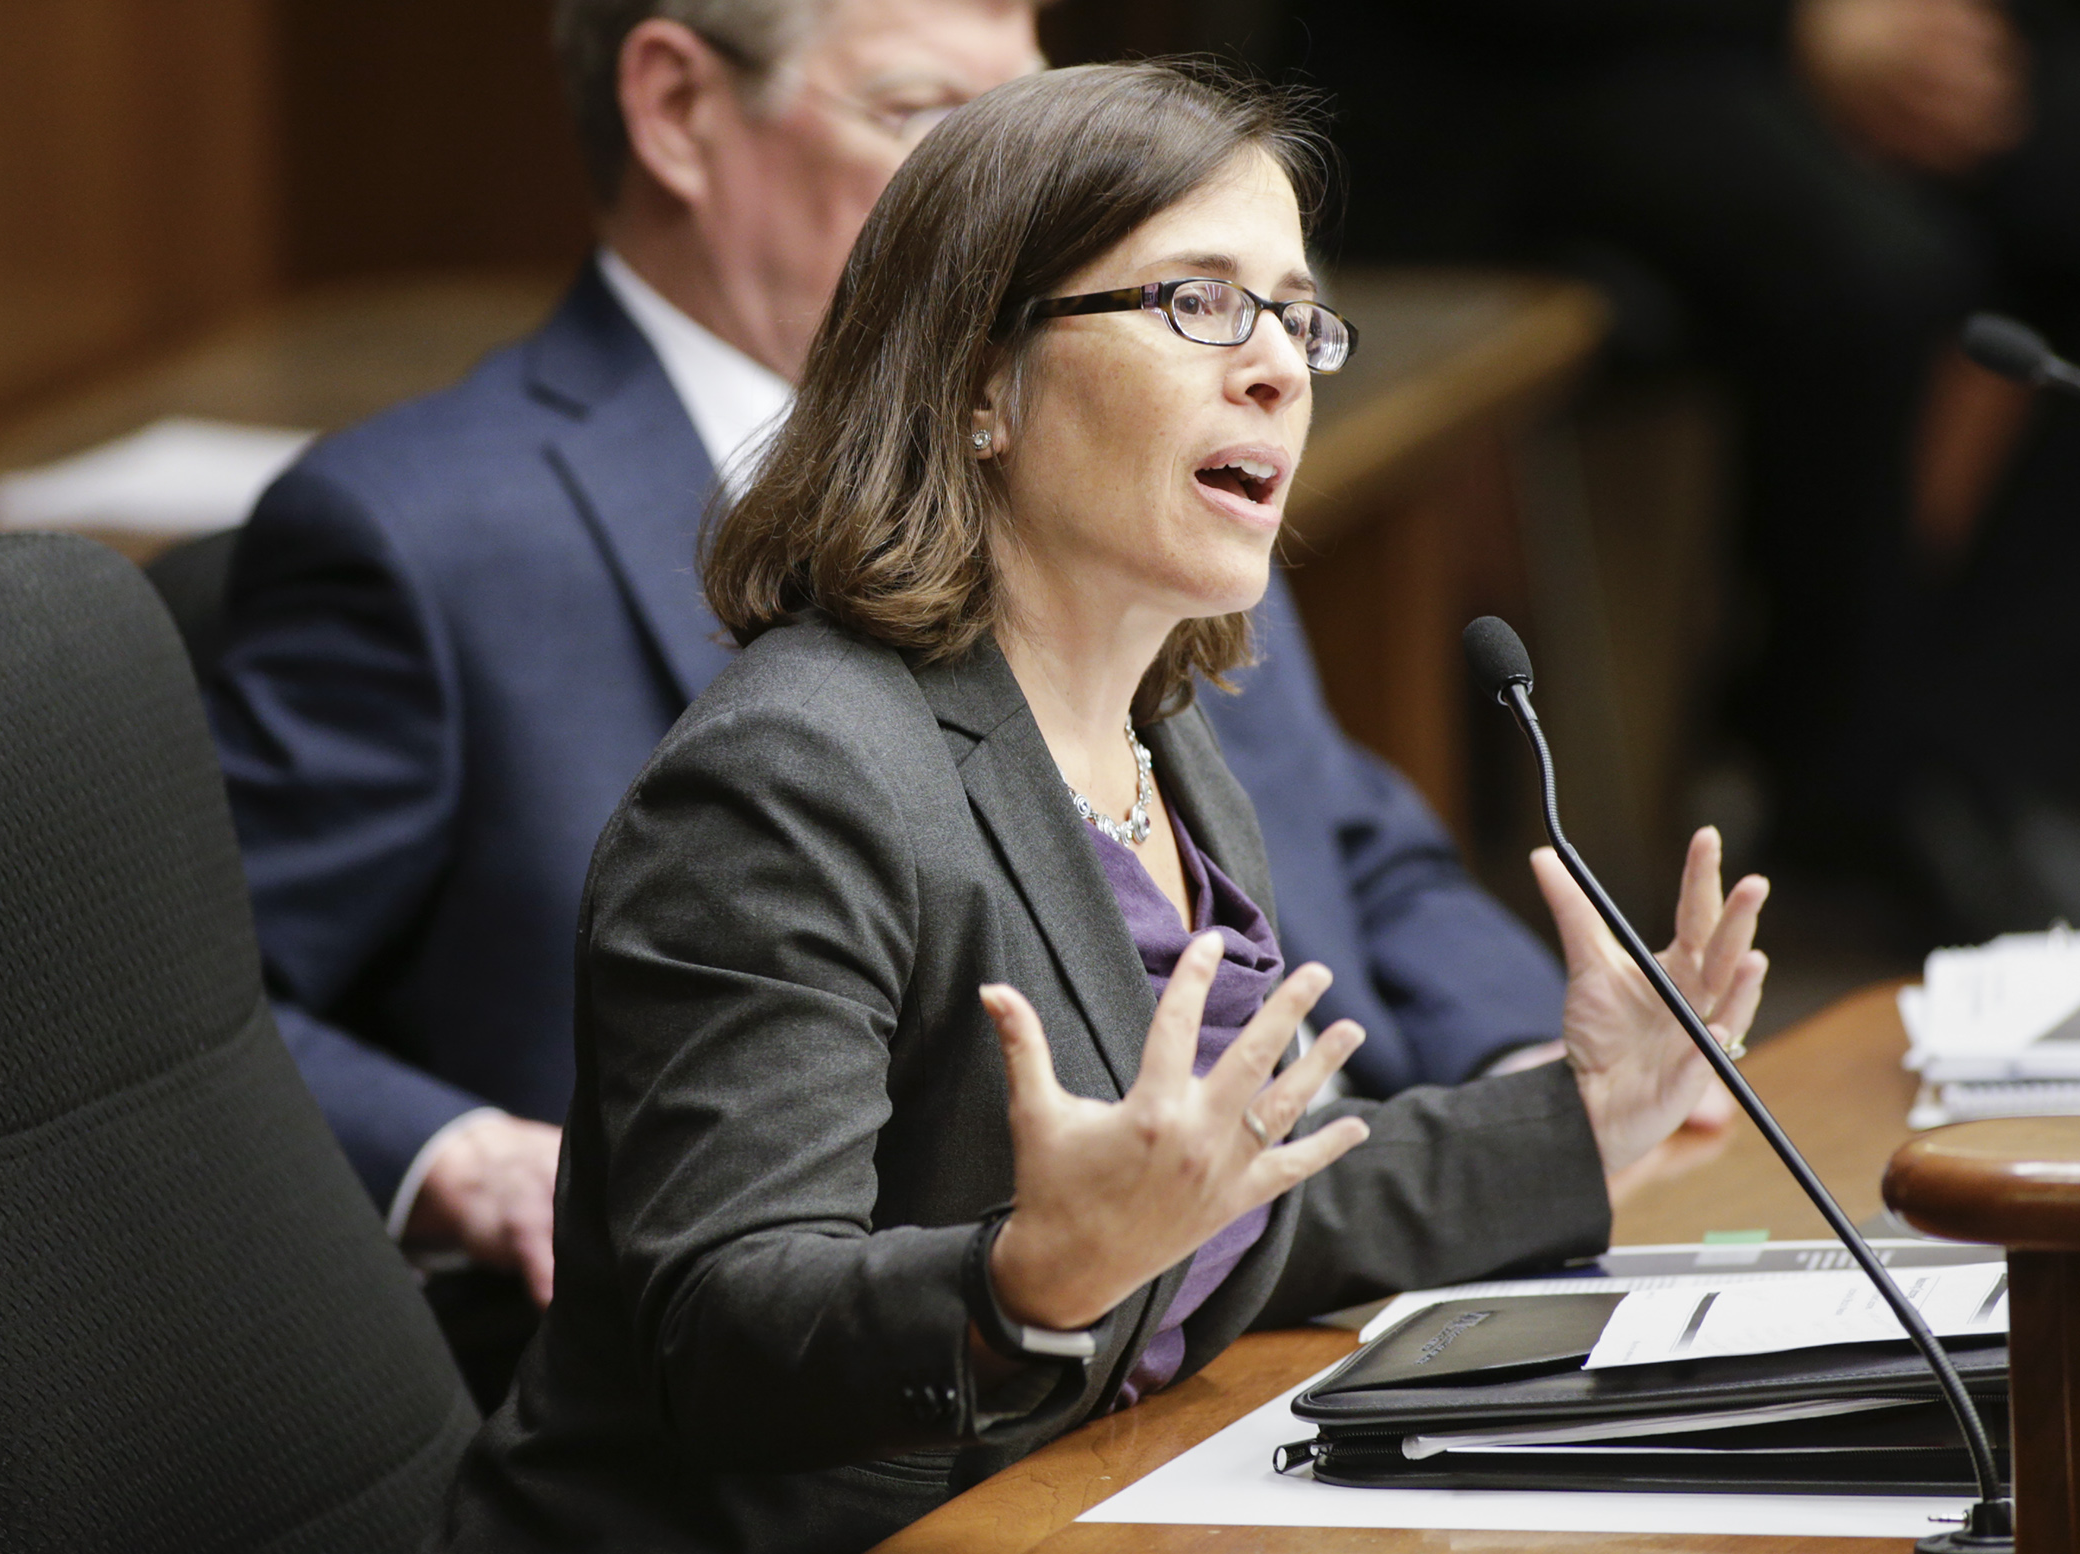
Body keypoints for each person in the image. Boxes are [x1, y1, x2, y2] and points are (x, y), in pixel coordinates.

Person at [445, 62, 1770, 1553]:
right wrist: (1021, 1282)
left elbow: (1231, 1223)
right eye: (1198, 303)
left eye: (1297, 315)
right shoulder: (788, 780)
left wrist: (1588, 1121)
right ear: (976, 385)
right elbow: (726, 1336)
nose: (1277, 367)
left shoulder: (1169, 743)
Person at [204, 0, 1620, 1345]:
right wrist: (456, 1153)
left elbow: (1352, 847)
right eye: (937, 118)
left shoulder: (1157, 534)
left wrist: (1553, 1086)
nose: (1020, 167)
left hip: (1245, 1313)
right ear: (679, 109)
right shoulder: (426, 537)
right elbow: (179, 1028)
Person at [1280, 0, 2080, 922]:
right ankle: (1837, 783)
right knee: (1879, 274)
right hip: (1540, 73)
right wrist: (1799, 27)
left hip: (1825, 44)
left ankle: (1984, 749)